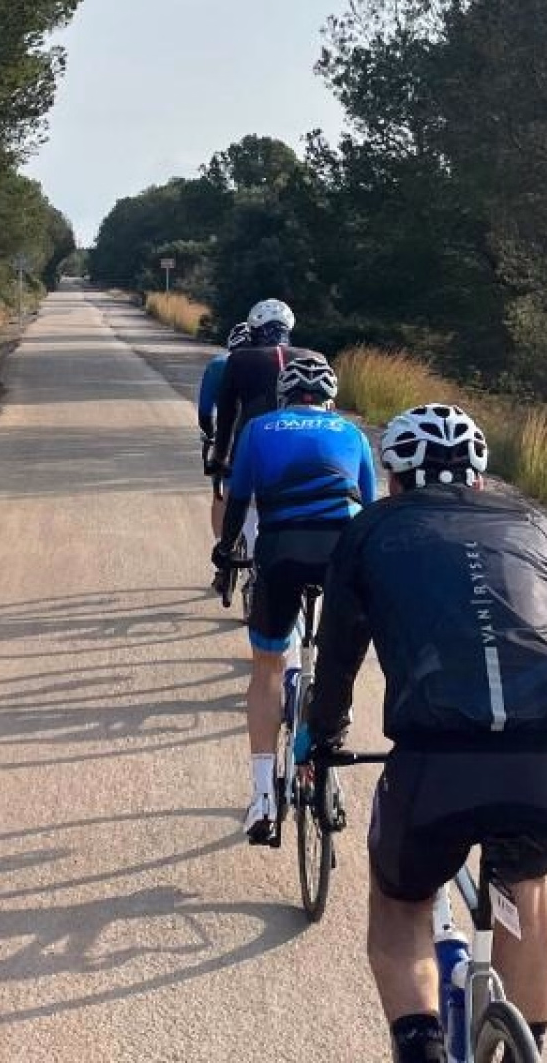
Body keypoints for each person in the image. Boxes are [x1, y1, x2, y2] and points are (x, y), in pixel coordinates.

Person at [298, 403, 547, 1063]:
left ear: (395, 479)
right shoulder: (535, 525)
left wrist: (321, 739)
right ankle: (531, 1049)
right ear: (480, 478)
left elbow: (338, 656)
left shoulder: (371, 528)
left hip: (438, 766)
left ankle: (421, 1047)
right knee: (525, 884)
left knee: (402, 903)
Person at [209, 353, 376, 844]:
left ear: (284, 394)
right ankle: (329, 747)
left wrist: (224, 552)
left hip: (281, 551)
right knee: (336, 659)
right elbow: (368, 510)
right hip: (341, 553)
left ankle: (263, 797)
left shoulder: (260, 428)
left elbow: (239, 498)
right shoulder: (353, 434)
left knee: (268, 668)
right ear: (330, 398)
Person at [206, 297, 305, 599]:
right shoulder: (312, 356)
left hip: (251, 444)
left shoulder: (240, 359)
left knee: (243, 500)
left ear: (254, 329)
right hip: (301, 451)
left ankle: (228, 563)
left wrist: (219, 456)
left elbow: (226, 415)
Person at [197, 321, 254, 541]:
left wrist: (209, 435)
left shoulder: (220, 364)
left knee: (222, 494)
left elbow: (205, 412)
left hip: (230, 441)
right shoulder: (278, 365)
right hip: (271, 439)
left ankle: (222, 550)